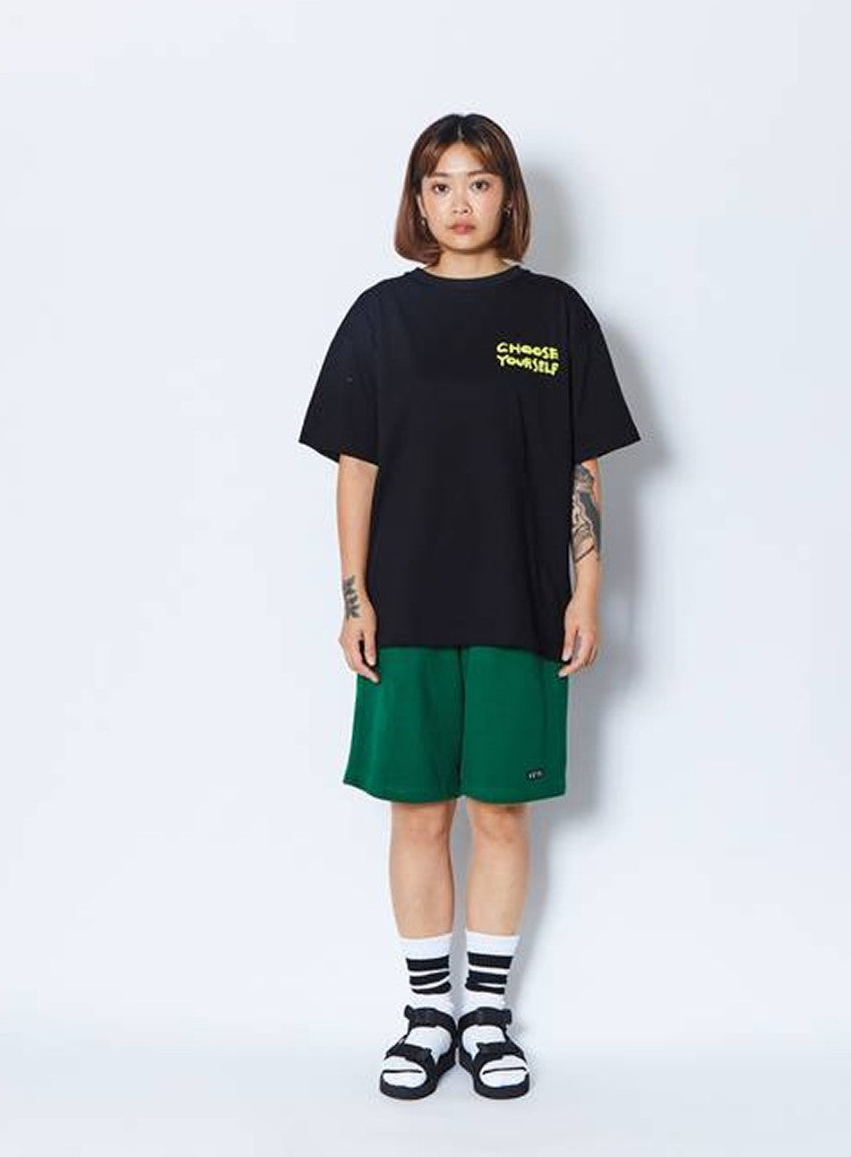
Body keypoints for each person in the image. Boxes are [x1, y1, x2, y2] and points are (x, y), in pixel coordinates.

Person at [298, 112, 641, 1100]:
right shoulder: (380, 317)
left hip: (520, 603)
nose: (459, 203)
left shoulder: (557, 315)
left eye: (478, 182)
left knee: (498, 811)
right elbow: (355, 468)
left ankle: (485, 1017)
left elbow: (582, 467)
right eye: (440, 184)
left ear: (507, 196)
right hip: (405, 609)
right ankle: (426, 1018)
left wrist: (588, 590)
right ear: (417, 200)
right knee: (416, 813)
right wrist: (355, 597)